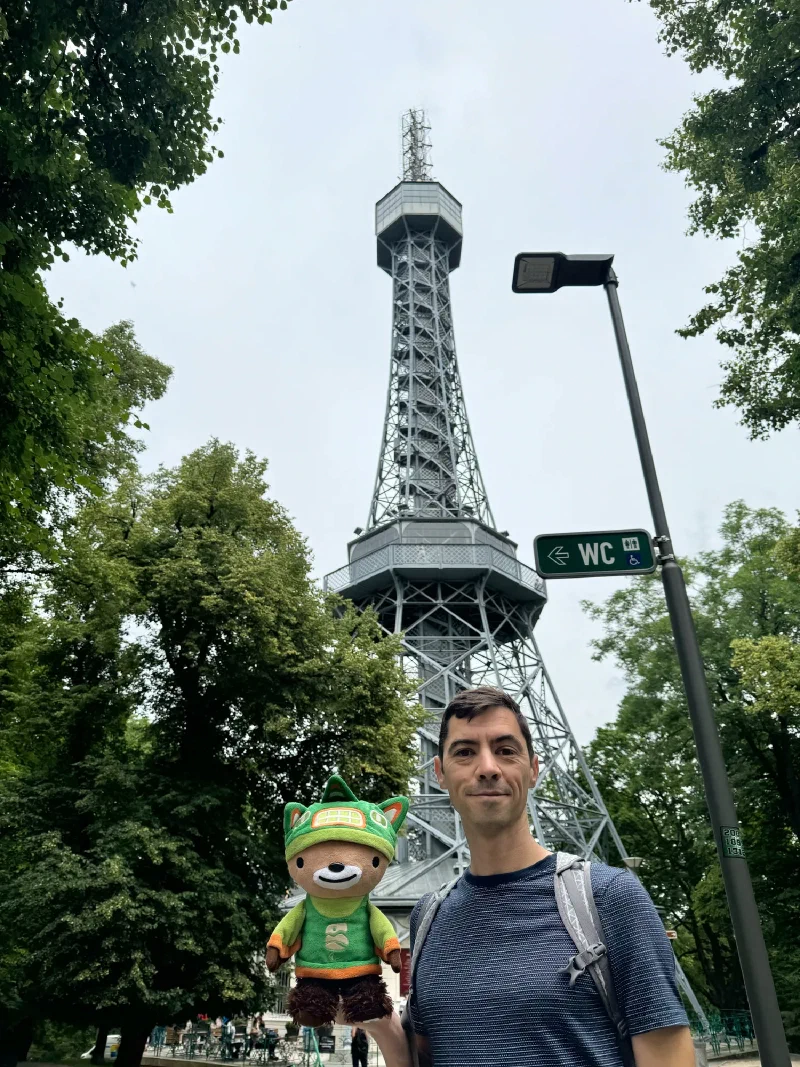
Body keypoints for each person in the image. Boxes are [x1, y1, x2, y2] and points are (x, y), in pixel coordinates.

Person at [361, 686, 696, 1067]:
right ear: (439, 772)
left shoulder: (609, 897)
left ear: (533, 768)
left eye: (506, 750)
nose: (488, 768)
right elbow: (423, 1059)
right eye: (465, 752)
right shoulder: (428, 917)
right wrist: (382, 1026)